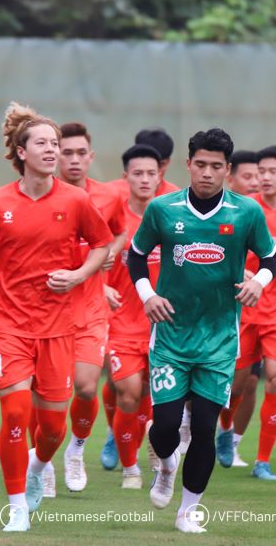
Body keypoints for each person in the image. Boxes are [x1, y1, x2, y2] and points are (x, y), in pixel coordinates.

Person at [0, 104, 112, 532]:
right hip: (9, 325)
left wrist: (80, 274)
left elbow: (102, 246)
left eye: (56, 144)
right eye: (44, 144)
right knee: (14, 413)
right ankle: (15, 505)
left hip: (58, 327)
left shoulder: (76, 200)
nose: (53, 151)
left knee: (51, 427)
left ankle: (36, 466)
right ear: (21, 151)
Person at [128, 128, 276, 534]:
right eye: (201, 165)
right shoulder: (162, 209)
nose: (207, 173)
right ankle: (165, 465)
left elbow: (270, 257)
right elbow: (137, 256)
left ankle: (189, 509)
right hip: (172, 337)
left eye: (216, 166)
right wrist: (147, 295)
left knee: (204, 429)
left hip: (219, 339)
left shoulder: (246, 212)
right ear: (188, 164)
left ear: (228, 170)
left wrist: (257, 283)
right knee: (163, 429)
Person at [56, 122, 126, 493]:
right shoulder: (41, 196)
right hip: (47, 311)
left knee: (85, 388)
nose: (74, 159)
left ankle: (76, 448)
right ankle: (42, 462)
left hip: (90, 309)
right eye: (66, 152)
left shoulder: (109, 196)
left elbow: (119, 231)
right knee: (48, 394)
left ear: (91, 156)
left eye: (81, 153)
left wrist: (107, 256)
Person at [231, 145, 276, 481]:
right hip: (245, 310)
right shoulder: (243, 209)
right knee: (234, 386)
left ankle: (262, 460)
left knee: (275, 377)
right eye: (260, 171)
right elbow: (223, 253)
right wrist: (240, 274)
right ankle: (225, 435)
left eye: (272, 171)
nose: (265, 177)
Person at [104, 144, 164, 488]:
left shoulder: (172, 219)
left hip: (165, 327)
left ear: (160, 177)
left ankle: (155, 449)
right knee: (127, 392)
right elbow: (95, 259)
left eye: (150, 173)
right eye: (137, 173)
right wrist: (101, 288)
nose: (144, 179)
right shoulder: (115, 221)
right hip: (123, 324)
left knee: (157, 397)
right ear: (125, 177)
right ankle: (130, 468)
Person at [217, 149, 262, 468]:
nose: (257, 182)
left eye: (260, 175)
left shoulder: (269, 212)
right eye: (248, 176)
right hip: (225, 312)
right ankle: (210, 430)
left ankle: (232, 442)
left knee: (254, 382)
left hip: (267, 313)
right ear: (230, 178)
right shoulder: (219, 212)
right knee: (228, 382)